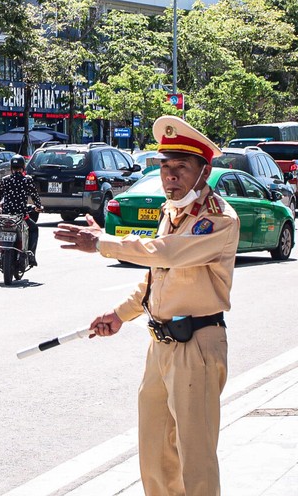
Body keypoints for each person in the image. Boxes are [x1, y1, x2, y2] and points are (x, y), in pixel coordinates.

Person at [53, 116, 240, 496]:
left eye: (181, 168)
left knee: (195, 459)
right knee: (154, 455)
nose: (170, 176)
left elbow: (167, 254)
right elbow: (155, 278)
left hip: (197, 346)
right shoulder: (171, 213)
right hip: (161, 345)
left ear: (203, 173)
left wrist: (102, 243)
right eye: (165, 168)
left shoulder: (216, 219)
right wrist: (119, 315)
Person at [0, 154, 43, 264]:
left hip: (7, 216)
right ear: (23, 168)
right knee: (34, 229)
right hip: (21, 216)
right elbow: (35, 196)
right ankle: (31, 255)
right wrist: (39, 207)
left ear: (11, 168)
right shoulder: (27, 180)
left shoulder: (5, 180)